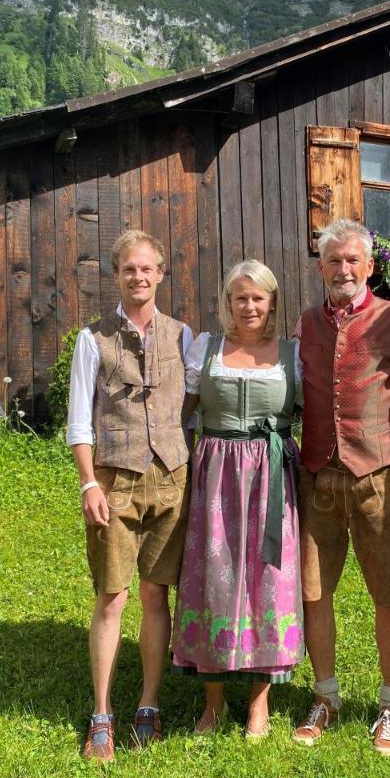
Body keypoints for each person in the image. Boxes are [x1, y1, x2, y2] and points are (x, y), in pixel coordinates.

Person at [291, 218, 390, 755]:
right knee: (314, 591)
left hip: (382, 474)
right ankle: (325, 696)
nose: (343, 269)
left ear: (369, 266)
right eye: (333, 261)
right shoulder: (305, 324)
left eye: (353, 260)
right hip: (319, 473)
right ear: (321, 267)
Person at [65, 229, 192, 762]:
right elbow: (78, 420)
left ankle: (147, 704)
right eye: (128, 270)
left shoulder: (185, 336)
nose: (138, 277)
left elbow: (198, 407)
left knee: (156, 594)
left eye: (147, 268)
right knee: (112, 596)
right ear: (116, 276)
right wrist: (89, 482)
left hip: (172, 479)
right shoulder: (93, 339)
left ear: (161, 273)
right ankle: (101, 714)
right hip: (115, 481)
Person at [171, 260, 304, 738]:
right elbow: (181, 415)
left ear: (271, 302)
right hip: (216, 477)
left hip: (273, 477)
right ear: (228, 302)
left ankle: (259, 703)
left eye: (258, 297)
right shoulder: (206, 349)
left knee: (269, 579)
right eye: (240, 297)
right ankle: (212, 703)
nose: (249, 306)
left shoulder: (293, 353)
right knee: (216, 578)